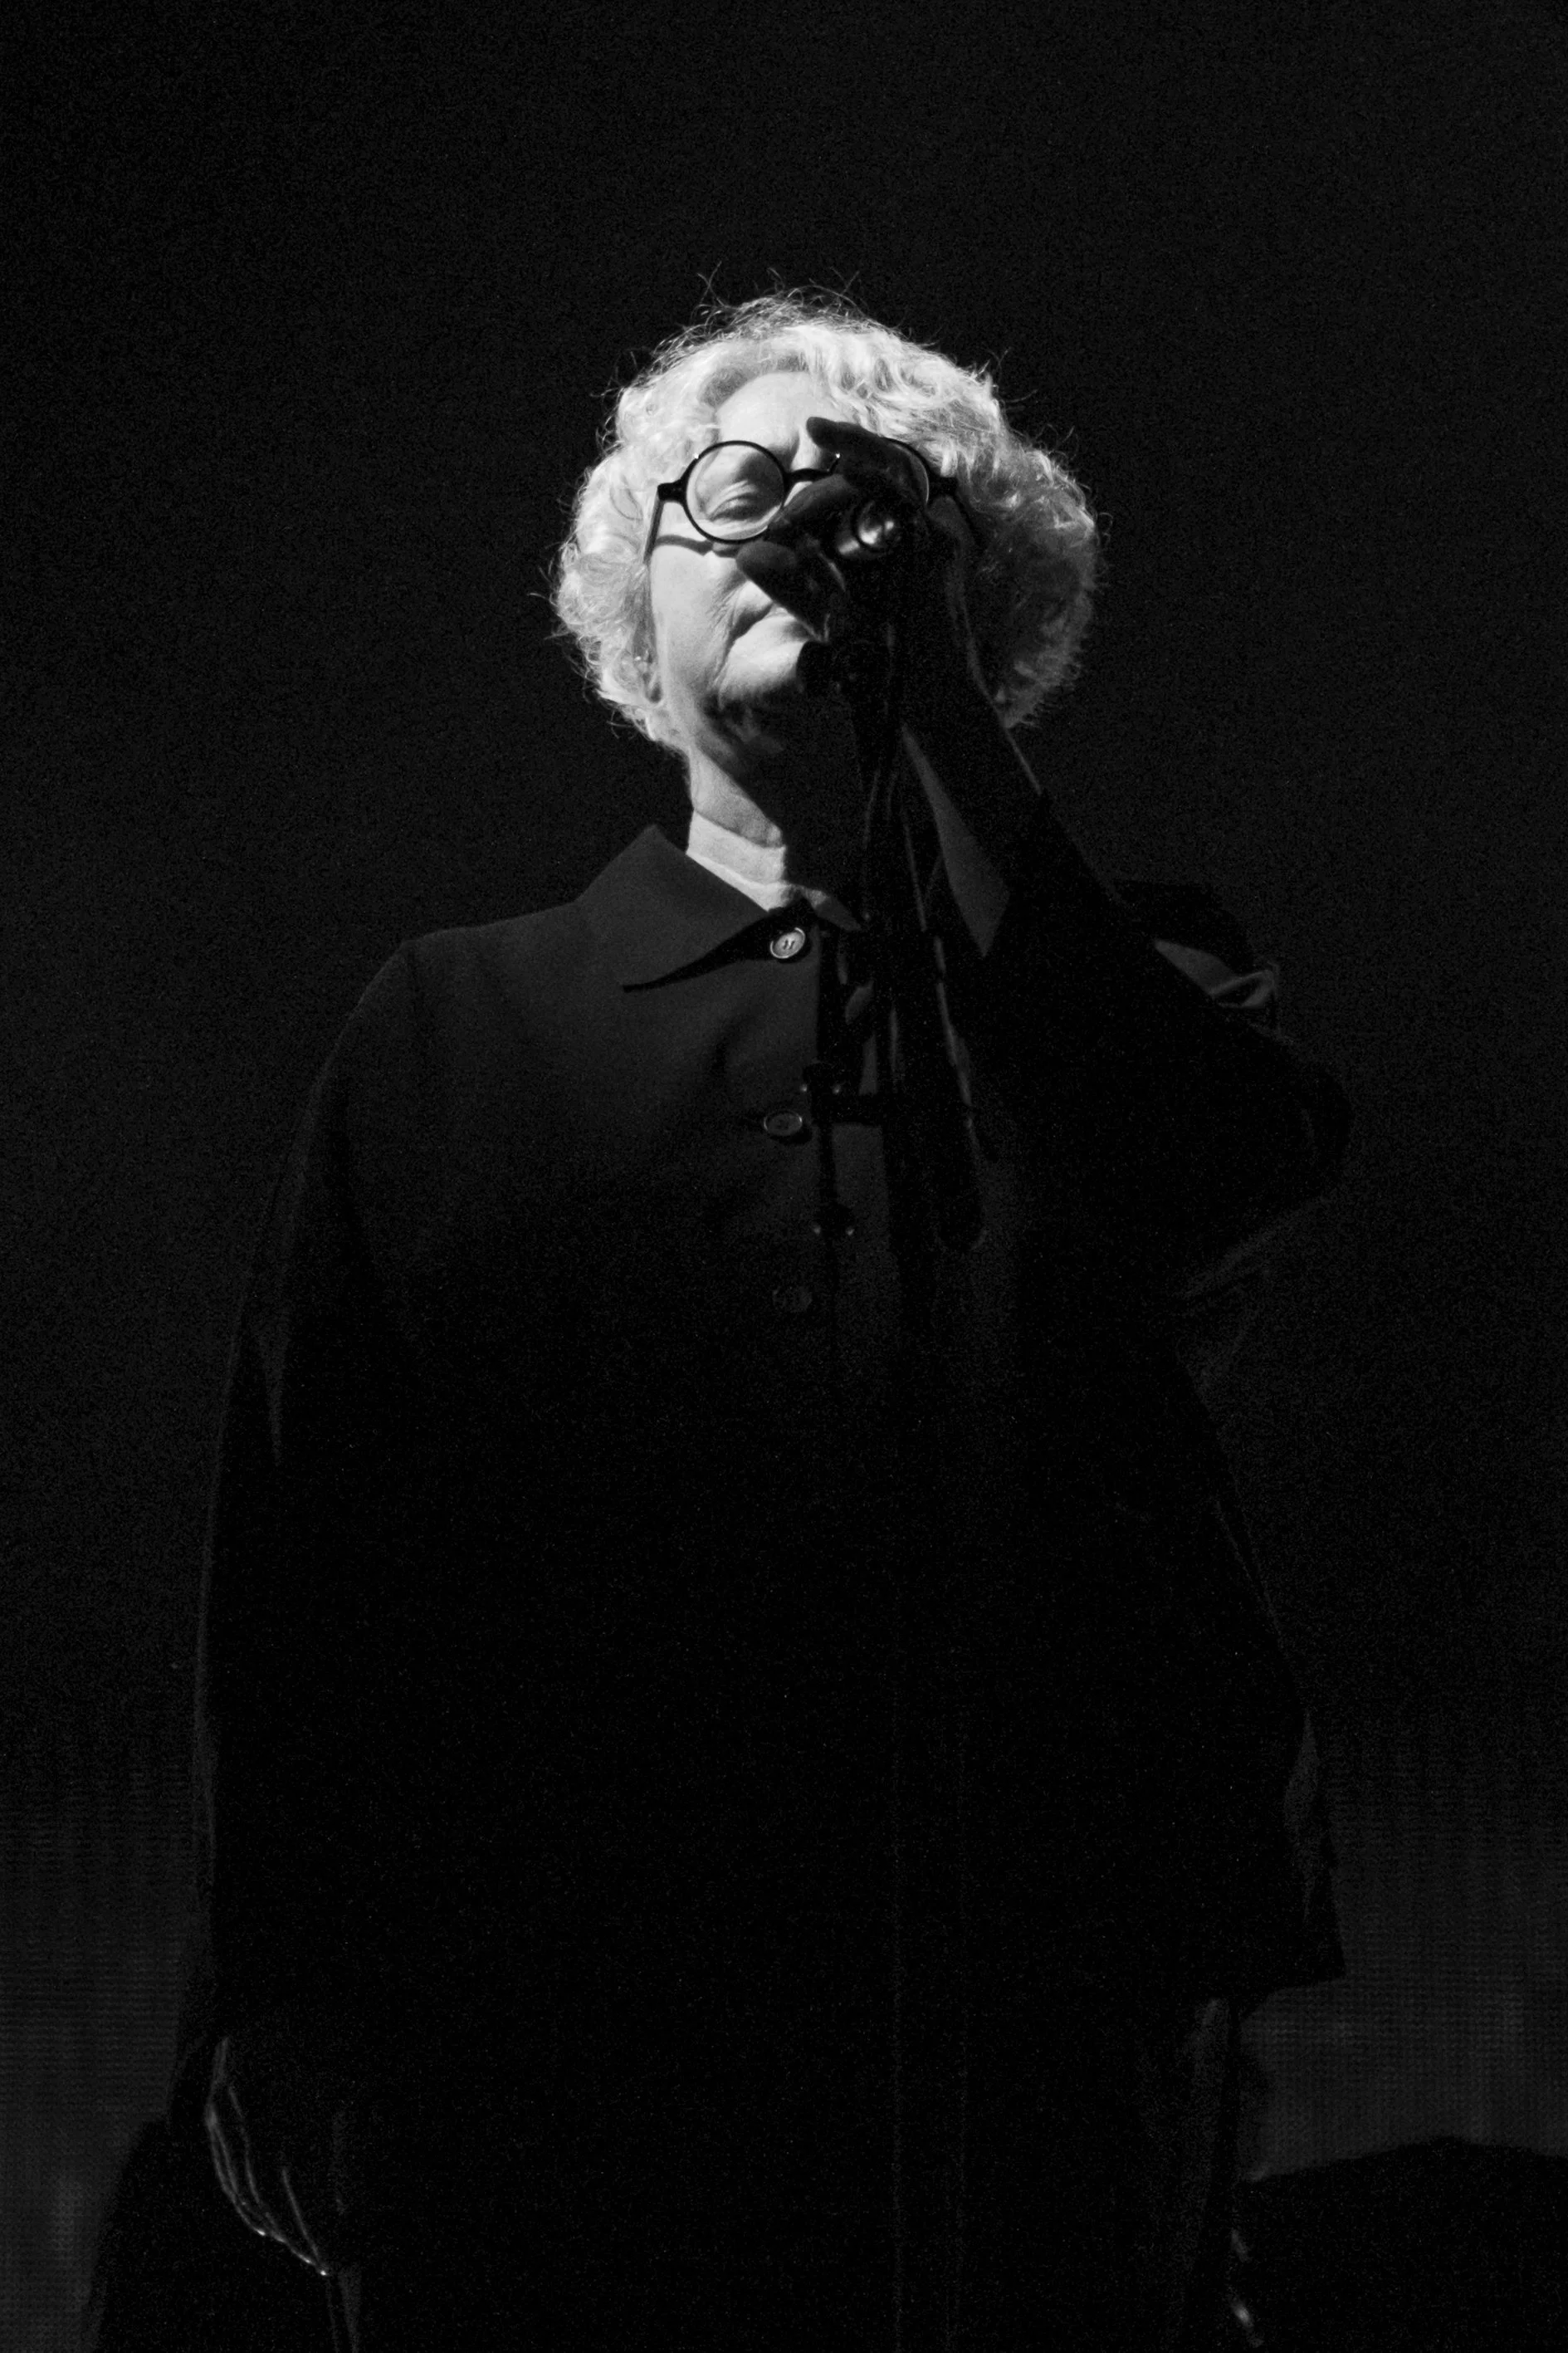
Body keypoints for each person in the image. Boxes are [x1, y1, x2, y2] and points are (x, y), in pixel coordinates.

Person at [171, 291, 1348, 2352]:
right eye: (741, 491)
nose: (809, 530)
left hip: (1026, 1999)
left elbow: (1205, 1169)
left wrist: (941, 714)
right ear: (636, 598)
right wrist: (279, 1979)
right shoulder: (453, 1023)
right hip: (547, 2016)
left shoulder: (1130, 985)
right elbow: (308, 1536)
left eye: (876, 507)